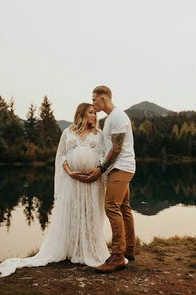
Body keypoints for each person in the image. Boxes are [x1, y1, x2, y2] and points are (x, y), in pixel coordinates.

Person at [0, 103, 110, 277]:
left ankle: (88, 249)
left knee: (89, 213)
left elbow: (104, 157)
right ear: (81, 114)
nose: (95, 116)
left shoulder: (99, 134)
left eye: (96, 113)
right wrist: (70, 172)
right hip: (72, 181)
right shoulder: (68, 132)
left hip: (91, 181)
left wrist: (96, 172)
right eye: (91, 112)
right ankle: (72, 248)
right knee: (71, 212)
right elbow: (61, 156)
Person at [85, 85, 136, 273]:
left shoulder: (118, 117)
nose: (93, 103)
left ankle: (117, 257)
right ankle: (129, 250)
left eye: (94, 99)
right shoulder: (110, 119)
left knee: (111, 207)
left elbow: (116, 149)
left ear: (103, 99)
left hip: (121, 168)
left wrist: (100, 169)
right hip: (118, 168)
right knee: (123, 207)